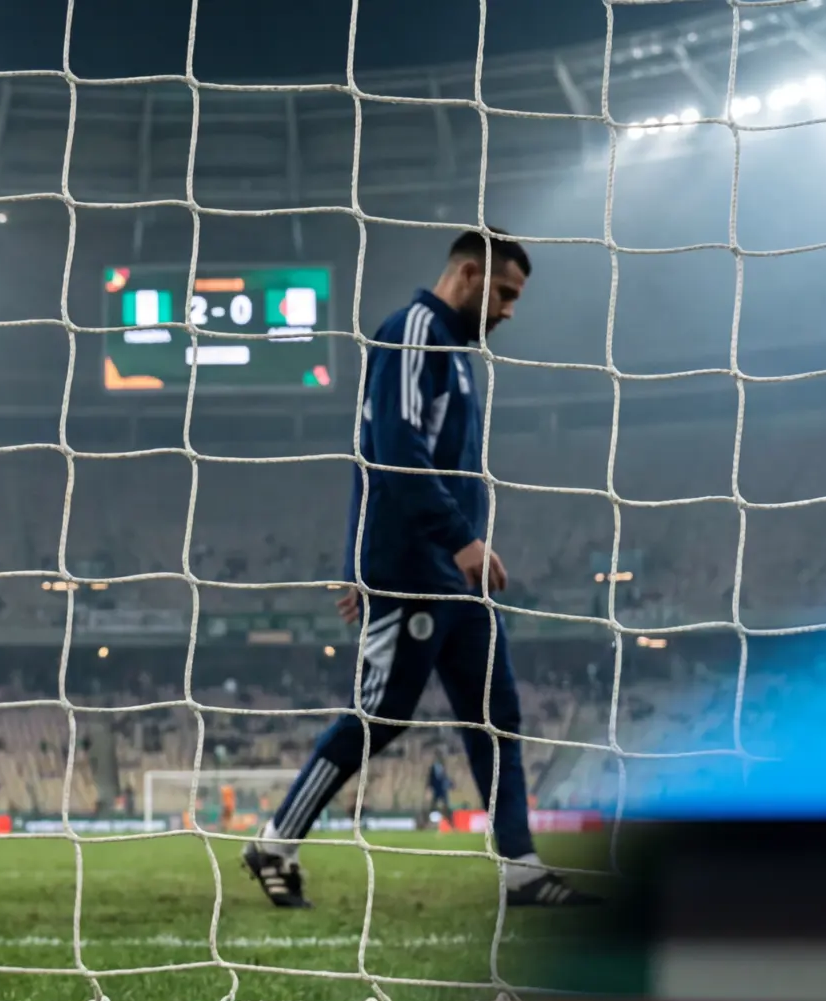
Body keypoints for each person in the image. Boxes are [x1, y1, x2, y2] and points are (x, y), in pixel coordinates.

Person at [243, 231, 588, 909]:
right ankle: (274, 840)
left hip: (455, 579)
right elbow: (390, 451)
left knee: (498, 719)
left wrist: (368, 559)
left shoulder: (455, 355)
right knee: (380, 716)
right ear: (467, 273)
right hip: (414, 571)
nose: (510, 311)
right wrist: (443, 543)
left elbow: (372, 456)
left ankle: (521, 867)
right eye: (506, 294)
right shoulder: (412, 334)